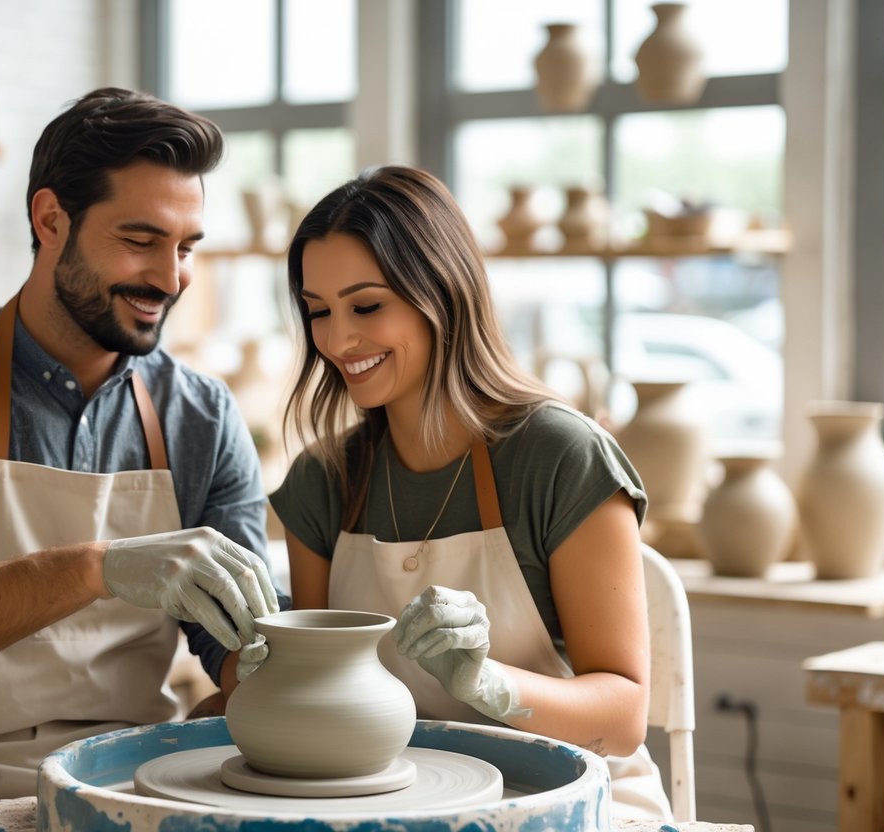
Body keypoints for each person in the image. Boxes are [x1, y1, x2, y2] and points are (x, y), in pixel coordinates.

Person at [0, 87, 281, 830]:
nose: (170, 279)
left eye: (187, 247)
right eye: (140, 240)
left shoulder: (199, 415)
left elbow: (247, 656)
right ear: (50, 220)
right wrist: (100, 568)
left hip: (133, 787)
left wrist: (273, 681)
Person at [266, 166, 672, 820]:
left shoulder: (558, 457)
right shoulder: (322, 482)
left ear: (441, 293)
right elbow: (314, 697)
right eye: (318, 312)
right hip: (395, 806)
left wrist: (489, 683)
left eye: (366, 306)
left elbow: (622, 717)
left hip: (573, 804)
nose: (337, 340)